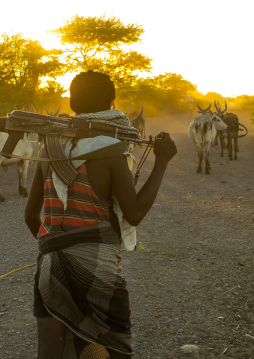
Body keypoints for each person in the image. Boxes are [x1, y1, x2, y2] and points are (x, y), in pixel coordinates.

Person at [24, 70, 177, 359]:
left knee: (48, 351)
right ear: (111, 104)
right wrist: (162, 163)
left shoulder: (50, 149)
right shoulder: (110, 153)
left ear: (71, 103)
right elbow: (133, 214)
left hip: (50, 265)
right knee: (116, 349)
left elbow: (31, 216)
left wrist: (56, 246)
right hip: (100, 269)